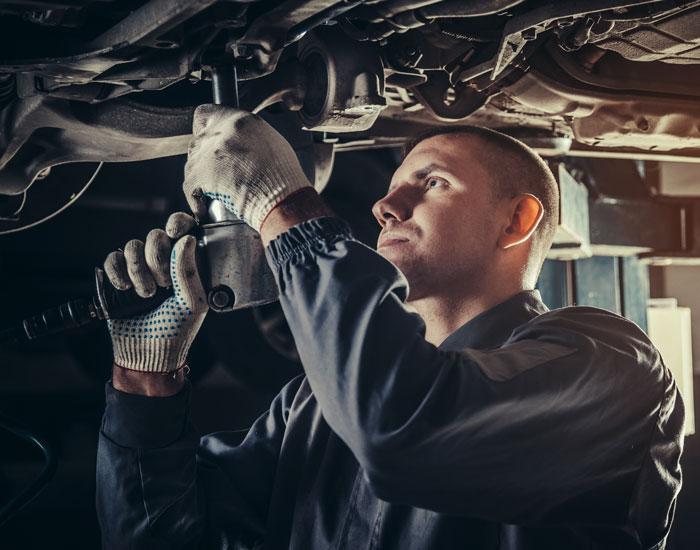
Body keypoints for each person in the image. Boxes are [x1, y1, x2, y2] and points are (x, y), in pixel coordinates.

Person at [96, 106, 684, 550]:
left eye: (431, 183)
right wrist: (145, 377)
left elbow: (403, 429)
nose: (385, 207)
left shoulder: (612, 370)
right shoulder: (312, 404)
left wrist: (282, 206)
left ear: (517, 219)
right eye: (388, 191)